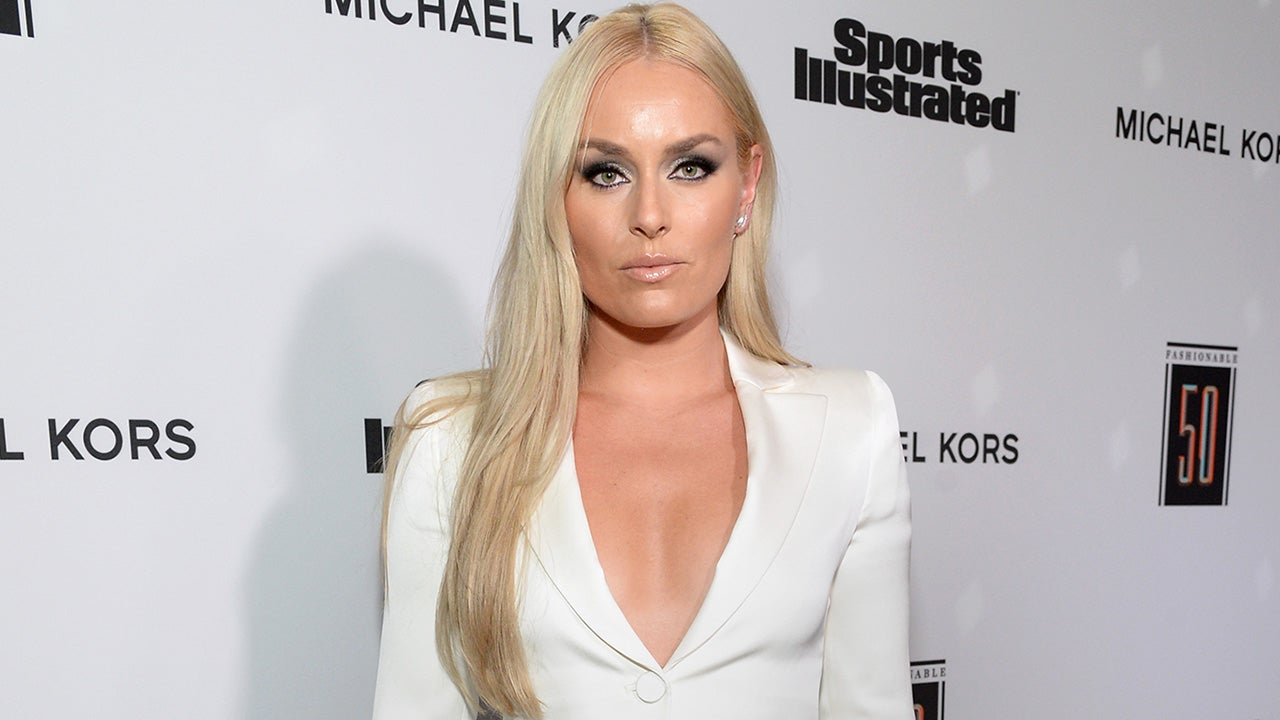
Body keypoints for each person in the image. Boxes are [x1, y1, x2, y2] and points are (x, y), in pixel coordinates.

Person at [371, 4, 912, 719]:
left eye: (691, 167)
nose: (650, 215)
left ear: (747, 185)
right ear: (556, 197)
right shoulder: (452, 439)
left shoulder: (849, 428)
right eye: (606, 173)